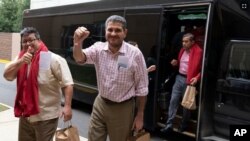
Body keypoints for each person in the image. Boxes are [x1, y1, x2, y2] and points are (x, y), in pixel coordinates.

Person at [73, 15, 149, 141]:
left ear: (125, 33)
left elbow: (142, 88)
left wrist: (140, 115)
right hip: (100, 103)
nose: (113, 33)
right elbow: (79, 58)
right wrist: (77, 43)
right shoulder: (98, 48)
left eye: (118, 30)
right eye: (110, 30)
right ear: (105, 31)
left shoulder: (135, 54)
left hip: (123, 107)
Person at [3, 27, 74, 141]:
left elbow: (68, 83)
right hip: (25, 115)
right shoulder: (21, 58)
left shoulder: (53, 59)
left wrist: (67, 106)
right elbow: (7, 76)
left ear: (39, 40)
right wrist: (21, 61)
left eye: (31, 40)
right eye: (24, 41)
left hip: (46, 117)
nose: (28, 43)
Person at [160, 33, 202, 133]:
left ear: (192, 42)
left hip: (189, 81)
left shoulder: (198, 52)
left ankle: (184, 124)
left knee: (186, 104)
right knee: (173, 100)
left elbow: (203, 69)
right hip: (179, 77)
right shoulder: (182, 50)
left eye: (186, 41)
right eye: (183, 41)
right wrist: (176, 63)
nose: (183, 43)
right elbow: (182, 64)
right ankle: (169, 124)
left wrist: (197, 78)